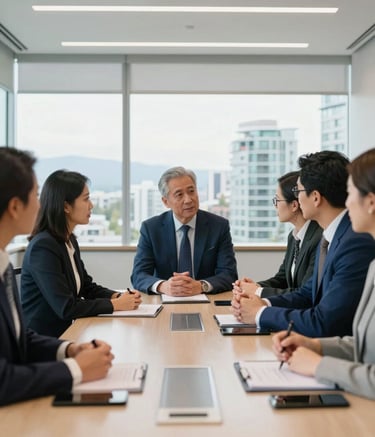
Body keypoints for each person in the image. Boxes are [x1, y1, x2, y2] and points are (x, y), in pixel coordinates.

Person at [0, 147, 113, 406]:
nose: (40, 204)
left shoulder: (3, 265)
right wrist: (76, 369)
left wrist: (70, 349)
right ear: (16, 206)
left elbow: (21, 338)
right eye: (35, 195)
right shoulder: (41, 246)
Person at [232, 150, 375, 337]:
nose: (297, 199)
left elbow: (326, 321)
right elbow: (308, 294)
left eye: (298, 191)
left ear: (315, 197)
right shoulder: (330, 236)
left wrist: (260, 313)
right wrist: (262, 304)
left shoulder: (355, 242)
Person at [273, 148, 375, 400]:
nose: (346, 202)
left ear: (370, 202)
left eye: (350, 193)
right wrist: (315, 346)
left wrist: (318, 365)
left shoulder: (355, 244)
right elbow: (366, 348)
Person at [21, 170, 142, 337]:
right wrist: (115, 304)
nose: (91, 205)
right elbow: (66, 307)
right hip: (44, 341)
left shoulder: (69, 240)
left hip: (70, 332)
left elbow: (86, 286)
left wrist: (118, 296)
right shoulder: (43, 247)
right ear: (65, 206)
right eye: (86, 199)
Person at [131, 166, 237, 295]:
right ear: (166, 202)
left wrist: (201, 285)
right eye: (179, 194)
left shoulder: (218, 226)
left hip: (206, 301)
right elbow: (138, 275)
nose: (188, 200)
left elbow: (229, 274)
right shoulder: (151, 228)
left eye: (191, 191)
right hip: (164, 301)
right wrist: (163, 286)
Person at [234, 171, 322, 297]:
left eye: (277, 200)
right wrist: (255, 287)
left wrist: (257, 292)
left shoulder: (318, 238)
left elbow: (305, 293)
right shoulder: (294, 237)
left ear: (294, 205)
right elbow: (282, 278)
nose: (275, 206)